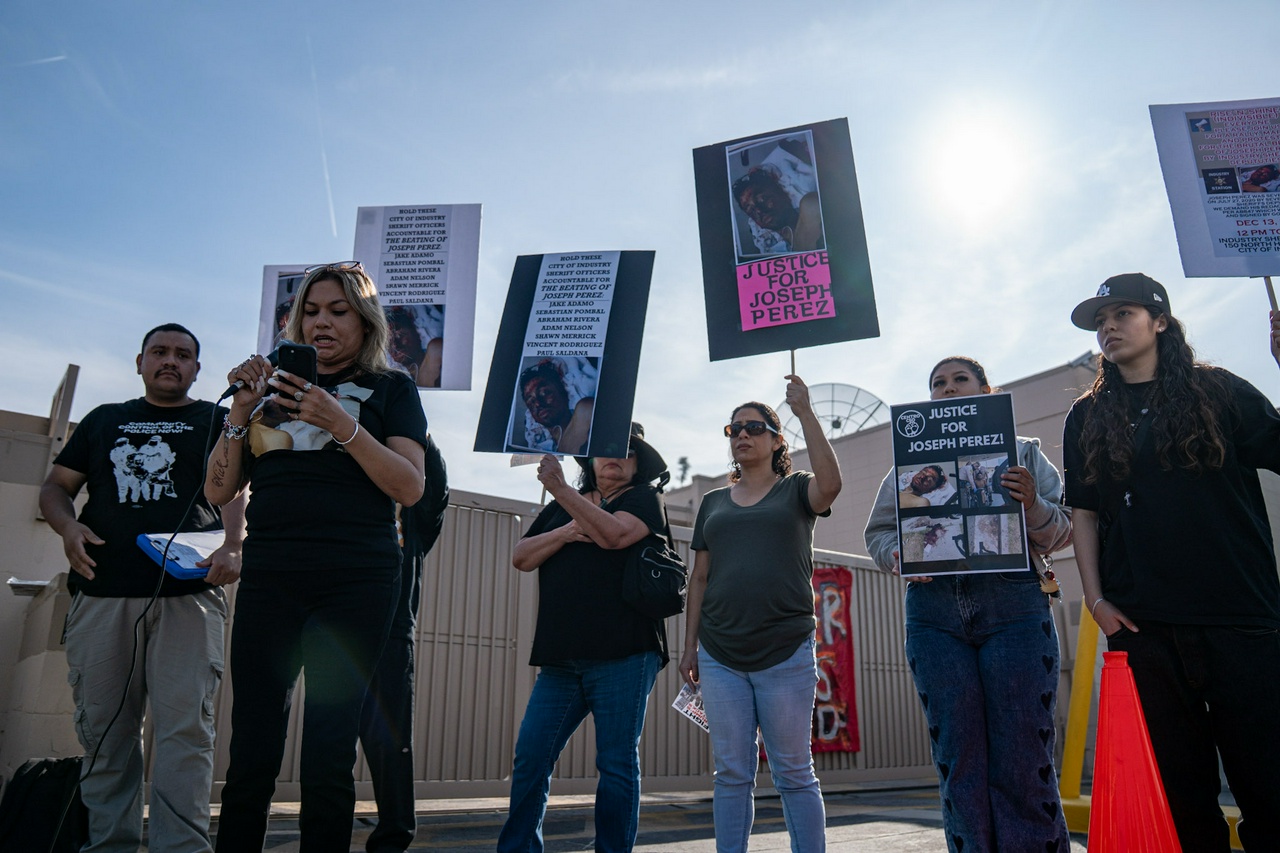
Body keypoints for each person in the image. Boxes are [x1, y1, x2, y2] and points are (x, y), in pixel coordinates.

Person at [206, 261, 427, 853]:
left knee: (329, 749)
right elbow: (217, 491)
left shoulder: (391, 390)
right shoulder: (266, 389)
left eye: (338, 311)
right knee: (251, 742)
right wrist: (238, 411)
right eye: (310, 310)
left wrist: (341, 423)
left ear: (365, 320)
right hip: (272, 576)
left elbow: (410, 487)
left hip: (355, 581)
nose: (321, 322)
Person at [1063, 273, 1280, 850]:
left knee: (1270, 786)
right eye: (1100, 320)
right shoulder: (1087, 415)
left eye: (1123, 314)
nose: (1109, 327)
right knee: (1181, 798)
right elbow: (1083, 512)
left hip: (1242, 617)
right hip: (1144, 625)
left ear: (1160, 321)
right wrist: (1098, 600)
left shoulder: (1221, 391)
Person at [39, 323, 245, 853]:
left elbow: (237, 490)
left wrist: (233, 544)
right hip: (102, 594)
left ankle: (180, 848)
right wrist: (67, 527)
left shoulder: (219, 420)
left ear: (197, 368)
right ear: (140, 362)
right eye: (160, 352)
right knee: (105, 736)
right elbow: (57, 488)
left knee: (185, 738)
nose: (170, 361)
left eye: (183, 355)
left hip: (189, 600)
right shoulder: (105, 419)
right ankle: (110, 845)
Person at [864, 355, 1073, 853]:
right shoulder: (908, 464)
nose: (948, 389)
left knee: (1023, 752)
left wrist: (1034, 506)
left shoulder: (1022, 452)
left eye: (961, 380)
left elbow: (1063, 527)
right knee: (959, 756)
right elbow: (878, 533)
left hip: (1015, 608)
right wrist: (898, 554)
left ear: (985, 390)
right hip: (933, 616)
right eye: (938, 383)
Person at [679, 376, 842, 853]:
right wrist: (690, 646)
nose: (742, 435)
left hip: (786, 650)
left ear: (776, 439)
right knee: (731, 772)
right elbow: (700, 579)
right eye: (733, 429)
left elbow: (830, 485)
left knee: (793, 771)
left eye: (753, 427)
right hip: (718, 654)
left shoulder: (796, 491)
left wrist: (806, 411)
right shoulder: (711, 503)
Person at [497, 423, 671, 853]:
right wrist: (565, 530)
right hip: (560, 660)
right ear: (589, 459)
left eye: (626, 451)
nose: (614, 457)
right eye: (604, 448)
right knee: (531, 758)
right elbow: (521, 556)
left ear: (638, 463)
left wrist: (560, 490)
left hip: (625, 653)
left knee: (615, 764)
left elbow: (613, 536)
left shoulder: (643, 499)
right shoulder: (565, 506)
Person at [358, 434, 448, 853]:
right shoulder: (346, 499)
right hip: (336, 633)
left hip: (392, 633)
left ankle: (392, 840)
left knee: (390, 744)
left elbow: (436, 493)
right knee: (330, 743)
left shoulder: (411, 514)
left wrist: (419, 434)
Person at [732, 167, 824, 254]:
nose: (759, 211)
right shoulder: (772, 249)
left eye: (762, 198)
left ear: (780, 191)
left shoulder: (810, 204)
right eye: (750, 210)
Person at [517, 359, 594, 454]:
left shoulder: (585, 410)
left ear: (562, 390)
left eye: (544, 393)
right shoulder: (541, 447)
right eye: (531, 401)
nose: (537, 403)